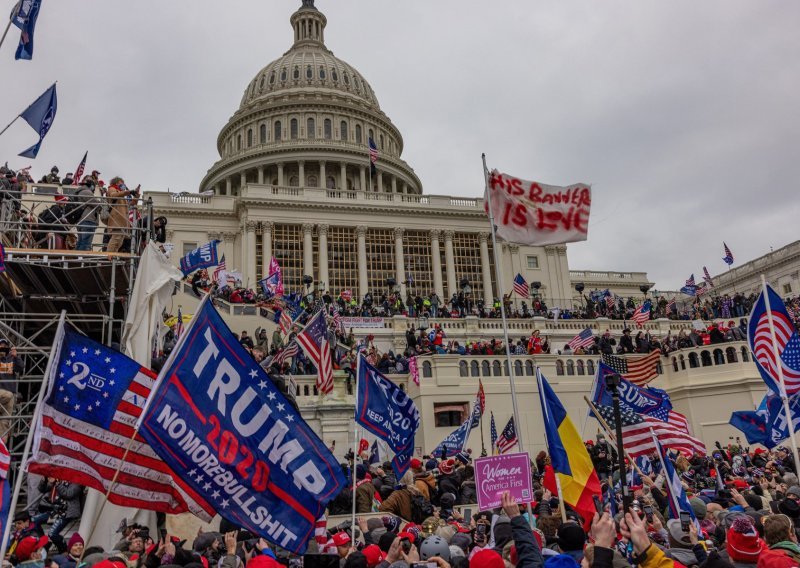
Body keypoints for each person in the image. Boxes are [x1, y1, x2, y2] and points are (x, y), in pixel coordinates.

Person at [105, 177, 135, 253]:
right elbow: (113, 195)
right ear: (116, 183)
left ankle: (113, 257)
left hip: (122, 221)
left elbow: (131, 204)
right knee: (116, 239)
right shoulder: (112, 188)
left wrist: (136, 196)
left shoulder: (121, 194)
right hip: (117, 220)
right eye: (121, 182)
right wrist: (128, 192)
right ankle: (108, 257)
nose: (123, 184)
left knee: (119, 242)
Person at [0, 339, 22, 441]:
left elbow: (21, 367)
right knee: (8, 395)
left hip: (9, 397)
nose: (2, 348)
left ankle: (2, 449)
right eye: (1, 346)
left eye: (5, 346)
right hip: (3, 392)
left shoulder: (11, 359)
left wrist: (15, 356)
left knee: (5, 423)